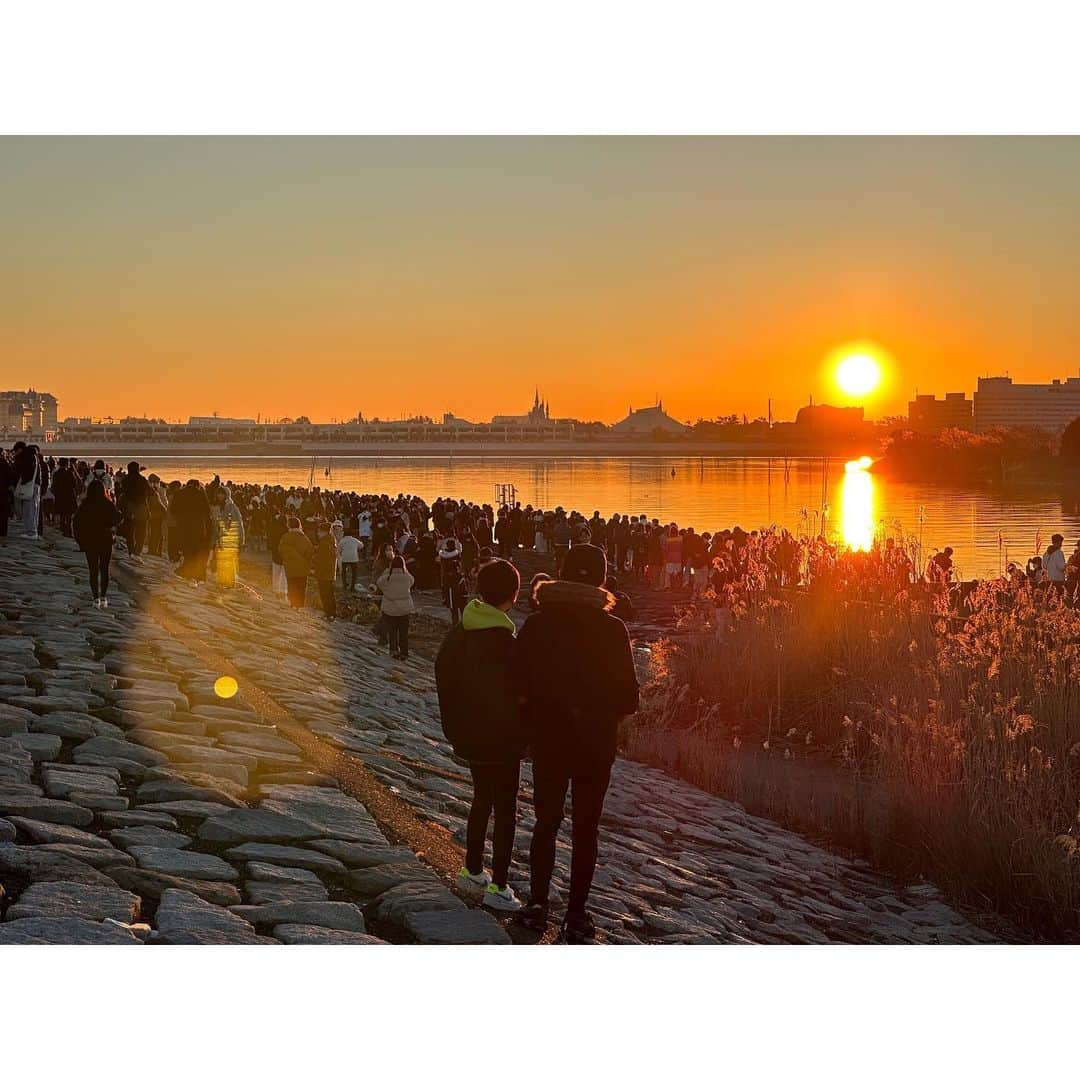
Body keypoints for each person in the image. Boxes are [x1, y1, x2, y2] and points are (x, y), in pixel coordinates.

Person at [514, 544, 639, 943]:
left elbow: (517, 686)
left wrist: (533, 720)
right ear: (602, 580)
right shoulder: (613, 629)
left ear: (562, 573)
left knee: (546, 823)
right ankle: (577, 914)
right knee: (587, 830)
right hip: (595, 745)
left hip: (548, 741)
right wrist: (602, 718)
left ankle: (536, 905)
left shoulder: (537, 624)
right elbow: (629, 699)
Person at [435, 558, 526, 912]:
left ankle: (472, 870)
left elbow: (444, 672)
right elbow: (521, 694)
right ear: (513, 596)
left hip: (468, 735)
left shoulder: (461, 629)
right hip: (502, 741)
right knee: (506, 810)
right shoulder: (504, 640)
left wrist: (455, 726)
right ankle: (500, 885)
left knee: (481, 800)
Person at [72, 479, 122, 607]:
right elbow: (116, 519)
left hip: (90, 541)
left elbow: (76, 524)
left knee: (93, 570)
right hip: (105, 540)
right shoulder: (108, 504)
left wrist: (80, 541)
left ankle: (95, 598)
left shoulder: (84, 505)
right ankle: (104, 598)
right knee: (104, 569)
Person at [172, 479, 214, 582]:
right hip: (198, 528)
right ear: (196, 485)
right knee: (195, 552)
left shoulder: (179, 493)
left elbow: (173, 510)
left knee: (187, 551)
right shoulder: (200, 494)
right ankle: (193, 574)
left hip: (183, 528)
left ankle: (187, 573)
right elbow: (207, 510)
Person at [376, 555, 415, 660]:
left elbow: (379, 583)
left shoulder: (387, 577)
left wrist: (387, 571)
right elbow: (412, 581)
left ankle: (394, 650)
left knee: (392, 631)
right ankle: (404, 652)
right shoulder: (406, 576)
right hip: (404, 609)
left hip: (390, 608)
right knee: (403, 633)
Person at [211, 486, 246, 587]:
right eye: (218, 494)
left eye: (222, 494)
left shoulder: (232, 507)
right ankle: (223, 582)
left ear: (226, 495)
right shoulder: (218, 507)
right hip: (220, 539)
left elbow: (238, 524)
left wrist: (241, 540)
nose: (220, 496)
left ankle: (229, 583)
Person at [278, 516, 314, 609]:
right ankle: (299, 604)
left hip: (291, 566)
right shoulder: (304, 537)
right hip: (303, 567)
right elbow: (310, 551)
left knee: (292, 585)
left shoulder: (286, 536)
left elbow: (282, 550)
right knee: (301, 586)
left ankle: (293, 603)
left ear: (289, 525)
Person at [119, 461, 151, 559]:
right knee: (141, 532)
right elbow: (149, 492)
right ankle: (138, 551)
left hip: (129, 509)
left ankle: (131, 551)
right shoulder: (142, 480)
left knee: (130, 532)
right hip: (141, 508)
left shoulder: (125, 479)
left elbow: (124, 492)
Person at [313, 521, 339, 619]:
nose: (318, 533)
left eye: (319, 531)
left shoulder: (324, 543)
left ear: (323, 531)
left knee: (325, 595)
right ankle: (332, 613)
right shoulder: (332, 540)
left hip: (323, 572)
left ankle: (328, 613)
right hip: (330, 572)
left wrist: (314, 568)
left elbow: (321, 559)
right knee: (330, 594)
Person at [338, 528, 361, 592]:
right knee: (354, 574)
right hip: (354, 558)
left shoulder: (342, 541)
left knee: (344, 573)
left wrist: (341, 555)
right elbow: (361, 546)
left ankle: (344, 586)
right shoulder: (355, 540)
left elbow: (339, 550)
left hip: (345, 558)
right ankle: (352, 587)